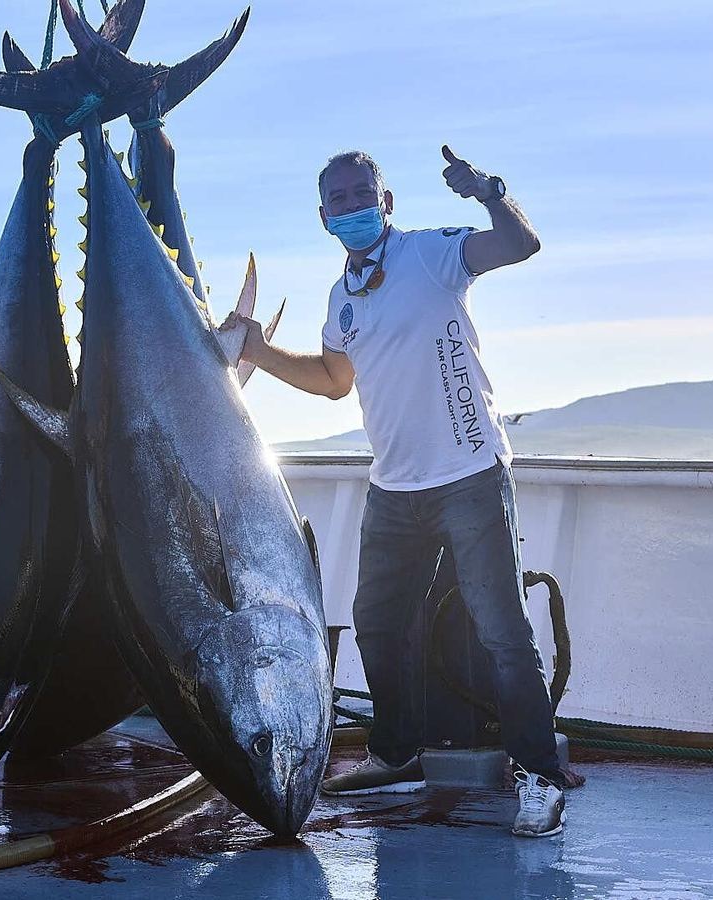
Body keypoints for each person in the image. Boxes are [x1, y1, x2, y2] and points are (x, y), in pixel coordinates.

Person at [224, 147, 566, 837]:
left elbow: (520, 244)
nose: (352, 206)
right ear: (324, 218)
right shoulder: (341, 298)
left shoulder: (432, 255)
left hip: (469, 475)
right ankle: (396, 750)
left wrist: (490, 192)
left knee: (503, 634)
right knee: (376, 621)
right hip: (393, 487)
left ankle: (540, 778)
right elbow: (331, 379)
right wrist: (257, 352)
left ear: (387, 203)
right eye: (338, 199)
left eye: (362, 193)